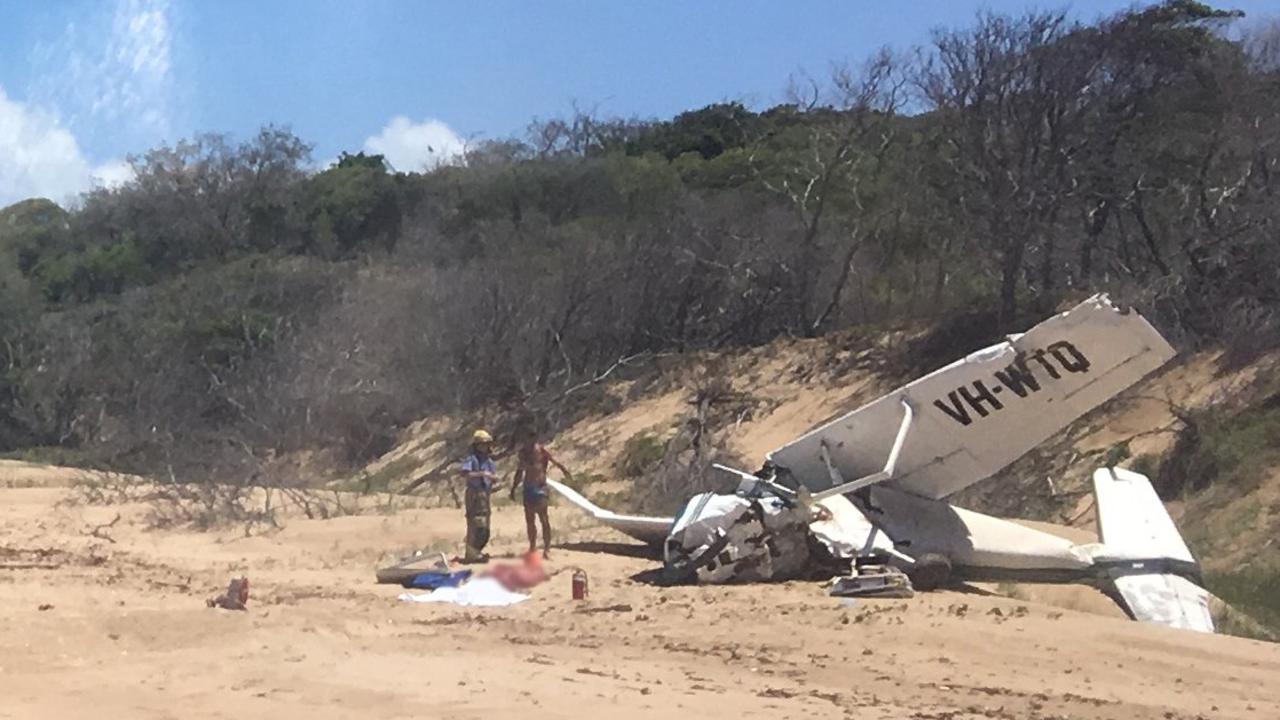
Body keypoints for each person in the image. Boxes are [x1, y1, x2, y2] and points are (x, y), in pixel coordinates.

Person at [510, 428, 572, 559]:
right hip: (528, 488)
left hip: (540, 487)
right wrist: (514, 488)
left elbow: (554, 461)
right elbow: (519, 472)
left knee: (544, 519)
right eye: (526, 438)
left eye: (531, 438)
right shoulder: (523, 454)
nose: (528, 441)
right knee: (530, 520)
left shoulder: (541, 451)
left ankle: (547, 549)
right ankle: (532, 548)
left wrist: (565, 471)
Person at [459, 429, 501, 563]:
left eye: (486, 444)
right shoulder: (471, 460)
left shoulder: (489, 461)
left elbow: (495, 476)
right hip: (474, 493)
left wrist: (493, 478)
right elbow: (465, 474)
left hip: (485, 494)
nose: (485, 447)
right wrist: (482, 474)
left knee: (485, 525)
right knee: (474, 523)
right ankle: (470, 554)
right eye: (482, 444)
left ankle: (477, 551)